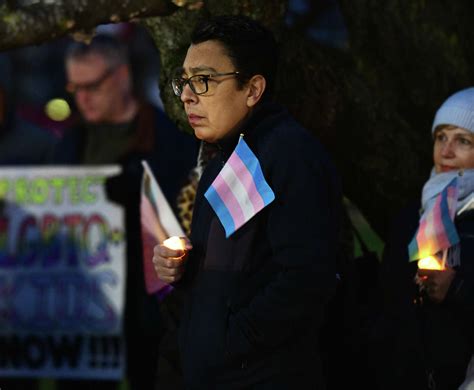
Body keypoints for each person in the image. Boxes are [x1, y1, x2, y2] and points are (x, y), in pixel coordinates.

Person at [153, 15, 341, 389]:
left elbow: (307, 278)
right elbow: (240, 265)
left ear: (252, 89)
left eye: (203, 81)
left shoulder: (288, 156)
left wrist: (229, 343)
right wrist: (184, 266)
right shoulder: (224, 155)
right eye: (184, 81)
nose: (188, 95)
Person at [51, 34, 197, 389]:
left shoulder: (168, 139)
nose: (81, 97)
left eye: (92, 85)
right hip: (82, 308)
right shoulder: (71, 143)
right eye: (75, 86)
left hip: (146, 310)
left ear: (121, 76)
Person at [373, 87, 474, 390]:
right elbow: (388, 299)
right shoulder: (414, 214)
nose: (446, 151)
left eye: (463, 140)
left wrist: (457, 289)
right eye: (441, 137)